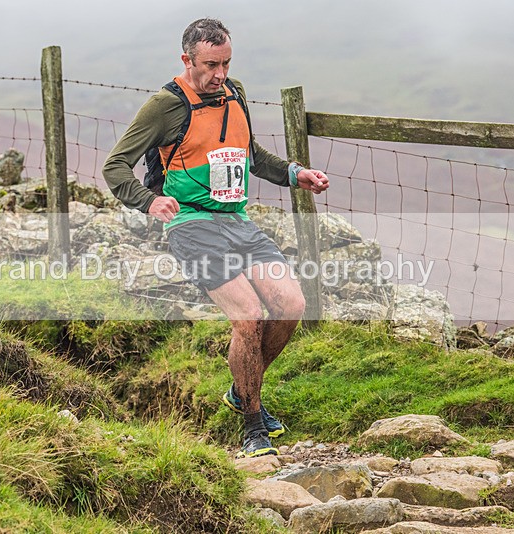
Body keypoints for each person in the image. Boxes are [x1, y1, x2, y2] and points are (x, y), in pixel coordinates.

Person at [102, 18, 329, 458]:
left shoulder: (234, 91)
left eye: (226, 63)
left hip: (236, 219)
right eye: (210, 65)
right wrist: (149, 201)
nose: (220, 74)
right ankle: (253, 427)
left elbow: (250, 154)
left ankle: (241, 391)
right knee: (248, 316)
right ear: (187, 60)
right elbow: (115, 166)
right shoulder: (164, 107)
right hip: (191, 224)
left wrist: (294, 174)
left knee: (291, 305)